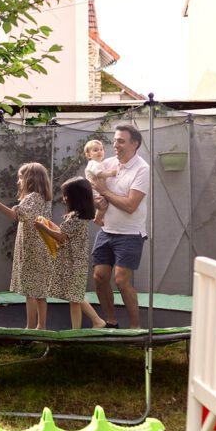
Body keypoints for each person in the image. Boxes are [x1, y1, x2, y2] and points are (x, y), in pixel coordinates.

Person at [90, 124, 150, 329]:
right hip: (107, 231)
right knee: (99, 277)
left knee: (122, 280)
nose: (116, 145)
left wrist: (104, 192)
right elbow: (97, 193)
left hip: (130, 233)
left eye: (121, 141)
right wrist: (97, 202)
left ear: (135, 144)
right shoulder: (107, 163)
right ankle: (111, 321)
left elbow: (131, 205)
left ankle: (135, 327)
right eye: (115, 140)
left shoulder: (142, 169)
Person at [0, 162, 53, 330]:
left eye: (21, 177)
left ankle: (30, 327)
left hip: (32, 249)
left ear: (30, 179)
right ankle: (41, 326)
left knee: (31, 292)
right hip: (40, 248)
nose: (18, 181)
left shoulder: (33, 197)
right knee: (40, 292)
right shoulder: (43, 198)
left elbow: (15, 215)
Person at [35, 178, 106, 330]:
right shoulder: (77, 215)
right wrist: (47, 224)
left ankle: (91, 324)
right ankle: (85, 326)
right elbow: (62, 231)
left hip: (74, 263)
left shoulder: (76, 217)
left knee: (75, 298)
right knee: (75, 298)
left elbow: (60, 237)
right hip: (73, 262)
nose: (64, 198)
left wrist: (43, 227)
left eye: (66, 195)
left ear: (76, 197)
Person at [82, 139, 117, 227]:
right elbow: (100, 174)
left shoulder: (99, 163)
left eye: (101, 149)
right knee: (103, 205)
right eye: (95, 150)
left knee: (104, 204)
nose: (99, 152)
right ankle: (97, 219)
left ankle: (101, 218)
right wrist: (111, 173)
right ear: (88, 155)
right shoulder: (93, 164)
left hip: (98, 191)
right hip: (95, 192)